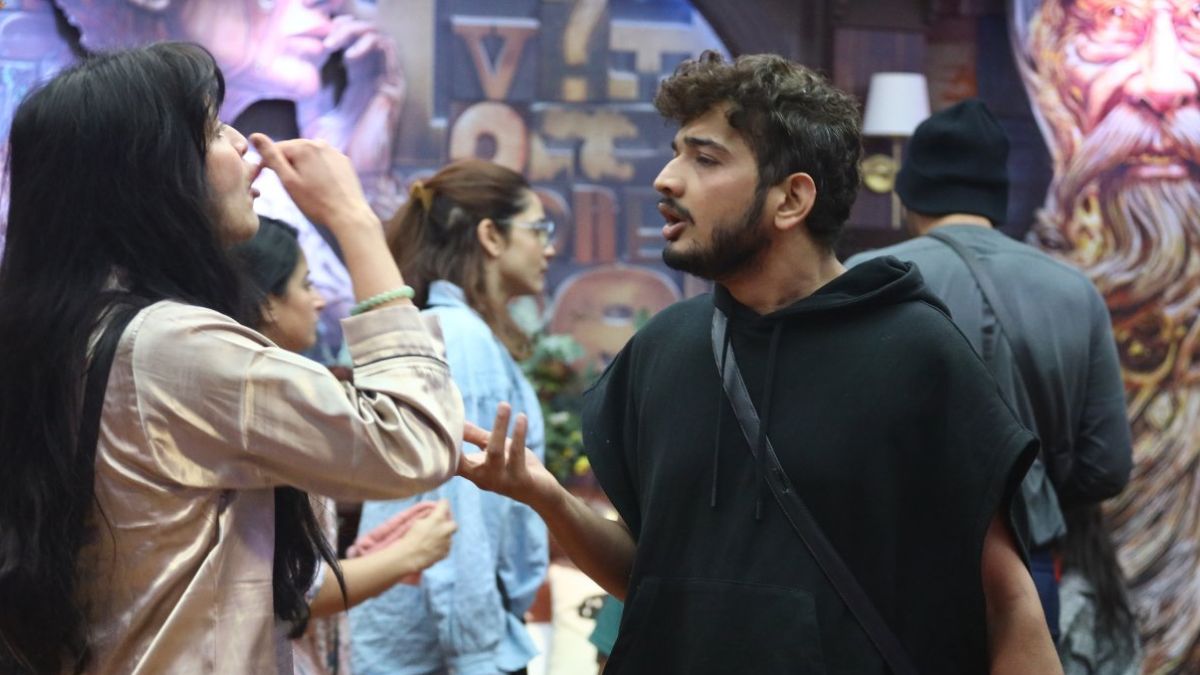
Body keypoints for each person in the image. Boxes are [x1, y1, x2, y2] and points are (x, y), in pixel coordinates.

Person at [456, 51, 1060, 674]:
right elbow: (651, 581)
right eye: (676, 153)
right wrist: (549, 498)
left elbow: (1008, 606)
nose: (666, 179)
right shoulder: (664, 348)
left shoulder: (916, 353)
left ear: (791, 199)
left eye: (705, 158)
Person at [0, 42, 463, 674]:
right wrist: (353, 219)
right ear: (153, 173)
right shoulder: (171, 346)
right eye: (215, 129)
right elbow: (412, 442)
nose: (244, 143)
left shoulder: (70, 332)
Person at [845, 98, 1134, 649]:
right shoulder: (1075, 293)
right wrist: (1031, 484)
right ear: (998, 195)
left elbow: (833, 440)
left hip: (890, 568)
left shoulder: (865, 279)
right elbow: (1107, 468)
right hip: (1025, 566)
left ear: (909, 193)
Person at [1010, 1, 1200, 670]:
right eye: (1109, 25)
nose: (1163, 83)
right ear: (1043, 64)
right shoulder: (1033, 303)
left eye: (1195, 31)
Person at [232, 216, 460, 675]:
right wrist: (410, 552)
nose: (319, 300)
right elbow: (289, 594)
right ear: (267, 302)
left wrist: (360, 562)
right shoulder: (256, 396)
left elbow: (289, 574)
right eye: (306, 284)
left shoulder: (266, 388)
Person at [351, 159, 553, 675]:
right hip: (444, 655)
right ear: (490, 236)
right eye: (539, 229)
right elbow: (459, 509)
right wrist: (478, 654)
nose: (548, 248)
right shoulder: (462, 338)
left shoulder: (453, 331)